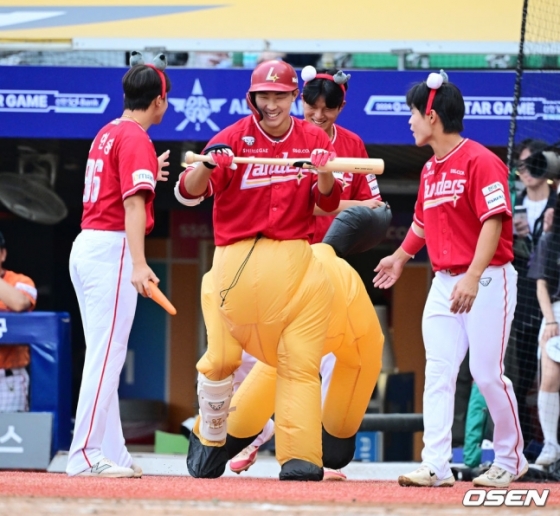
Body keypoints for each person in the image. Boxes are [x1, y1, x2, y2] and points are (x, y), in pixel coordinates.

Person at [175, 59, 342, 481]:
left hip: (292, 271)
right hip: (234, 272)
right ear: (252, 98)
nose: (272, 104)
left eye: (280, 96)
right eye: (264, 96)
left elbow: (328, 204)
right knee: (222, 359)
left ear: (294, 98)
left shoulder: (312, 138)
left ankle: (301, 455)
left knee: (299, 361)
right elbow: (187, 195)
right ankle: (209, 435)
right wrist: (208, 165)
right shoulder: (231, 137)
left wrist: (324, 172)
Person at [228, 66, 385, 481]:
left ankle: (306, 451)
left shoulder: (351, 144)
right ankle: (249, 437)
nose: (318, 116)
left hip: (329, 270)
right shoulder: (286, 138)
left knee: (328, 362)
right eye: (312, 107)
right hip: (281, 264)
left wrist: (338, 208)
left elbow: (373, 209)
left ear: (340, 107)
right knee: (259, 359)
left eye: (327, 109)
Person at [373, 70, 528, 488]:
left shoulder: (481, 160)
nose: (409, 121)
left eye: (413, 114)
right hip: (444, 282)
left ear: (433, 115)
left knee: (486, 372)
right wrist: (401, 257)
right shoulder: (430, 170)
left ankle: (512, 458)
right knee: (439, 370)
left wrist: (474, 277)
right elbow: (422, 223)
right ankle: (436, 465)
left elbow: (495, 220)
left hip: (488, 278)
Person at [66, 51, 171, 478]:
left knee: (102, 355)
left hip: (89, 244)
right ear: (158, 100)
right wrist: (140, 264)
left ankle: (113, 452)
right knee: (106, 357)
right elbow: (131, 203)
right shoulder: (135, 139)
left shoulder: (109, 131)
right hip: (111, 249)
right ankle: (85, 454)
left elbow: (122, 186)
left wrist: (149, 166)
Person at [510, 139, 556, 445]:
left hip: (554, 294)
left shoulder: (558, 201)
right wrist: (508, 233)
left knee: (553, 375)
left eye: (533, 163)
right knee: (519, 377)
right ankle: (525, 446)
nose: (527, 171)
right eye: (521, 165)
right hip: (521, 297)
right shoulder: (511, 202)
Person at [528, 196, 560, 466]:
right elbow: (541, 286)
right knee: (549, 378)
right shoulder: (550, 240)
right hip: (556, 314)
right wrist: (550, 321)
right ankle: (550, 445)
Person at [0, 231, 37, 413]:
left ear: (3, 254)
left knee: (7, 439)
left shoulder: (20, 281)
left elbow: (20, 303)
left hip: (8, 379)